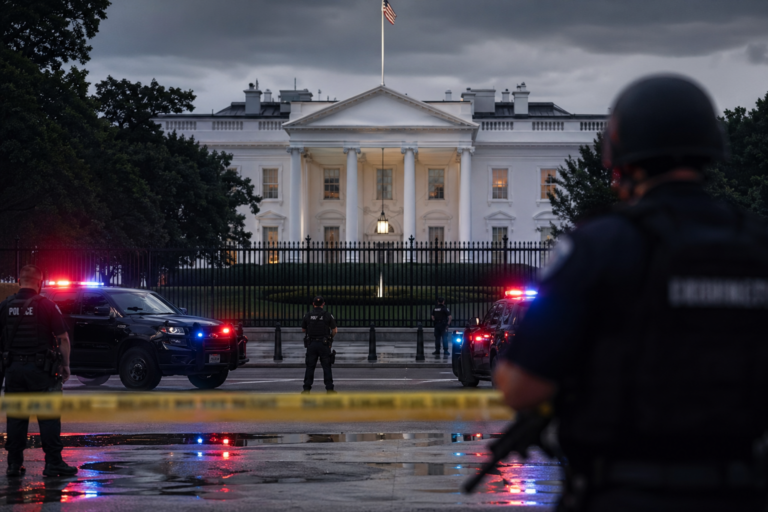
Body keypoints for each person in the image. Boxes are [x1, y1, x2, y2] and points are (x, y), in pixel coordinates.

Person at [494, 74, 768, 511]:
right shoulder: (756, 243)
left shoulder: (599, 245)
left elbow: (521, 387)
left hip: (627, 489)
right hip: (741, 490)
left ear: (620, 155)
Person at [0, 265, 77, 477]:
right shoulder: (47, 306)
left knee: (16, 417)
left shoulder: (5, 306)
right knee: (49, 417)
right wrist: (66, 365)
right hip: (41, 371)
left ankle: (14, 465)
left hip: (13, 371)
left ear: (18, 281)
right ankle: (53, 463)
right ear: (39, 282)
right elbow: (63, 338)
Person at [301, 296, 337, 394]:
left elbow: (303, 329)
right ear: (323, 304)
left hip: (311, 344)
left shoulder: (308, 315)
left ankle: (306, 389)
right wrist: (330, 337)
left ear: (313, 304)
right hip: (324, 344)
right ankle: (329, 389)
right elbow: (335, 330)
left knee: (310, 367)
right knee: (326, 367)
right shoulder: (328, 315)